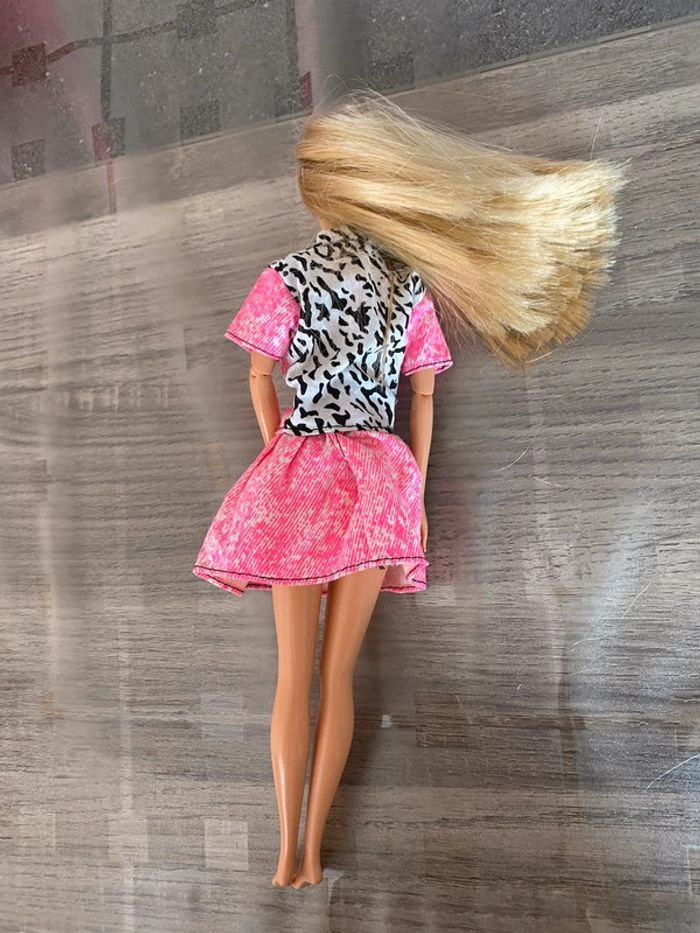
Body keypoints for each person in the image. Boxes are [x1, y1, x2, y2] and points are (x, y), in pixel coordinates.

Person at [192, 89, 628, 888]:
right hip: (378, 477)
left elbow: (259, 375)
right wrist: (414, 492)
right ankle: (310, 849)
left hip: (303, 466)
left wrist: (280, 449)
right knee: (338, 674)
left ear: (321, 200)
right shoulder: (405, 286)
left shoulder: (285, 277)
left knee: (294, 675)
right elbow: (421, 396)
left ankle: (289, 849)